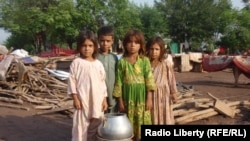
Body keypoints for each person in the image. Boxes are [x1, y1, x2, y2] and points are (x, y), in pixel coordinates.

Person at [113, 29, 156, 141]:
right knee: (128, 125)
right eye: (130, 42)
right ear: (125, 44)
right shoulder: (122, 62)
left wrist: (149, 98)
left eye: (136, 43)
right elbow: (119, 82)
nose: (133, 45)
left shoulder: (144, 61)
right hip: (128, 98)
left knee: (143, 124)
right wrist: (120, 101)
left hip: (142, 98)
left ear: (141, 45)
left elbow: (149, 80)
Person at [67, 30, 108, 141]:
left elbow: (102, 83)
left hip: (97, 100)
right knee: (80, 127)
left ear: (95, 47)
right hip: (82, 100)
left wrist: (104, 99)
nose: (87, 48)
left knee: (96, 126)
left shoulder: (98, 64)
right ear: (79, 47)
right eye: (84, 45)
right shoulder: (76, 63)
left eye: (90, 45)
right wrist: (75, 99)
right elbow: (72, 81)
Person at [146, 36, 178, 125]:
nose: (154, 52)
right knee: (152, 117)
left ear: (161, 50)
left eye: (157, 49)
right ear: (148, 49)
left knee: (164, 116)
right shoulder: (145, 64)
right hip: (150, 96)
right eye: (151, 49)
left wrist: (174, 93)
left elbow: (171, 79)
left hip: (163, 95)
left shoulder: (165, 64)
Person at [97, 25, 118, 113]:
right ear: (98, 40)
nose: (105, 43)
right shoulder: (94, 57)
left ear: (112, 41)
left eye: (108, 41)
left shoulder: (114, 58)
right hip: (99, 94)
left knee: (112, 119)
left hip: (113, 95)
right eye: (102, 40)